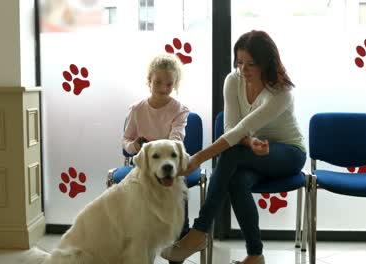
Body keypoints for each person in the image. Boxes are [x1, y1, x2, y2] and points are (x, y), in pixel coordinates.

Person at [161, 30, 307, 264]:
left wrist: (196, 159)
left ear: (266, 63)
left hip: (289, 153)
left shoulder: (282, 93)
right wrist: (251, 142)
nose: (244, 70)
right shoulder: (233, 80)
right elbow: (233, 129)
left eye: (251, 64)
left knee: (232, 153)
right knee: (237, 180)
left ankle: (199, 232)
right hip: (251, 152)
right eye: (240, 62)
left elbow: (239, 131)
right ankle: (255, 255)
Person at [123, 53, 190, 264]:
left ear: (175, 84)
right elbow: (126, 141)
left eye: (169, 84)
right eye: (158, 82)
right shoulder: (136, 110)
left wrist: (163, 153)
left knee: (179, 187)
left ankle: (179, 242)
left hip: (169, 162)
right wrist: (134, 146)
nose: (163, 88)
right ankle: (137, 243)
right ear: (149, 81)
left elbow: (176, 138)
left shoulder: (180, 110)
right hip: (144, 164)